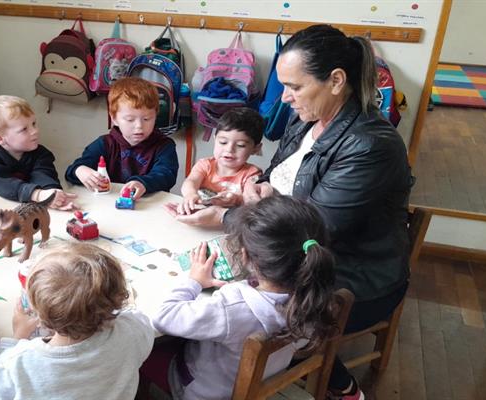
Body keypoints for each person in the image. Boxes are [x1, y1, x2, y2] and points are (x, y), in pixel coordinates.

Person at [166, 24, 412, 399]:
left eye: (294, 87)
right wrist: (252, 189)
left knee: (235, 306)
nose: (284, 98)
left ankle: (341, 386)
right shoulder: (306, 119)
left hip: (351, 275)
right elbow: (279, 177)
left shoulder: (369, 145)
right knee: (206, 284)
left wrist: (227, 218)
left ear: (336, 80)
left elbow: (313, 230)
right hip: (293, 251)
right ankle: (214, 364)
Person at [148, 196, 336, 400]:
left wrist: (194, 281)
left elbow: (163, 318)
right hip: (262, 381)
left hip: (206, 392)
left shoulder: (231, 307)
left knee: (143, 354)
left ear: (245, 256)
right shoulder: (315, 296)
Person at [0, 243, 154, 400]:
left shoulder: (18, 361)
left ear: (37, 313)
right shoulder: (132, 331)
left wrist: (16, 338)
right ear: (118, 298)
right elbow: (137, 318)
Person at [65, 77, 179, 199]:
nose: (139, 126)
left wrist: (142, 183)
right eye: (130, 120)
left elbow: (166, 175)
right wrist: (80, 170)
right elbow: (72, 171)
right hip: (110, 205)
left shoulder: (164, 145)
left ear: (155, 116)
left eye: (147, 119)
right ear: (114, 118)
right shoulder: (104, 144)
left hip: (149, 206)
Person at [0, 95, 77, 210]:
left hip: (31, 210)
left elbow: (44, 175)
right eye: (24, 129)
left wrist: (52, 196)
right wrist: (36, 194)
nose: (35, 131)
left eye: (34, 124)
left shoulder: (40, 153)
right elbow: (3, 184)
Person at [178, 107, 264, 215]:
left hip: (229, 222)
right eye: (223, 142)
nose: (229, 149)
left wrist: (237, 200)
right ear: (215, 140)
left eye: (240, 145)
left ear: (256, 148)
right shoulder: (205, 165)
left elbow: (253, 200)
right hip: (198, 216)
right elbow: (191, 181)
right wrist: (190, 194)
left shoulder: (252, 173)